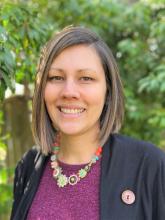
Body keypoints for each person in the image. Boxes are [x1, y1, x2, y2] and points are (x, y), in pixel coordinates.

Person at [10, 26, 165, 220]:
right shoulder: (28, 166)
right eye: (56, 77)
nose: (69, 91)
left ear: (107, 90)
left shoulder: (150, 165)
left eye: (86, 78)